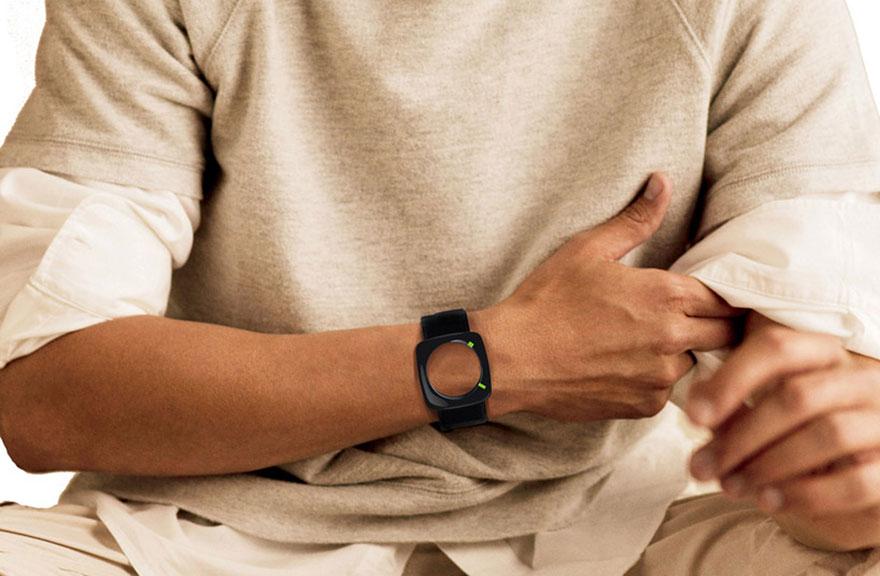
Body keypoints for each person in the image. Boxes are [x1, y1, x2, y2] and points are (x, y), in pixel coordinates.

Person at [0, 0, 879, 574]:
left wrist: (844, 480)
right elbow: (47, 394)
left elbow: (813, 391)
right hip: (206, 533)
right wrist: (491, 360)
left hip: (629, 526)